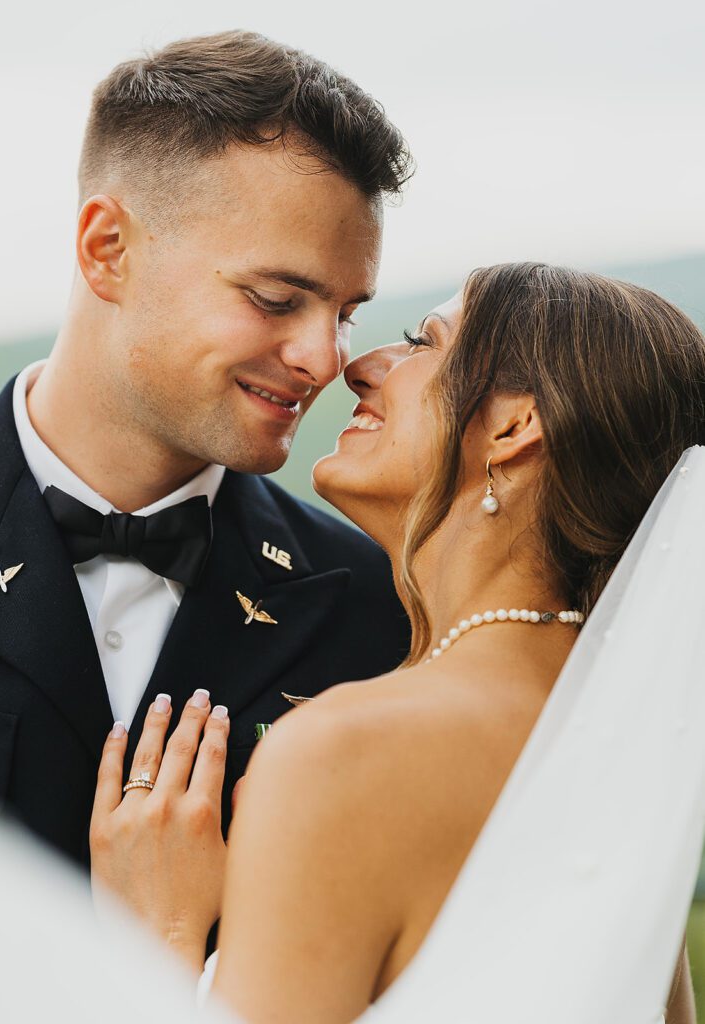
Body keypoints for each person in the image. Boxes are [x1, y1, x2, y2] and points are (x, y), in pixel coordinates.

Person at [90, 263, 705, 1022]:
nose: (360, 366)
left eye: (424, 342)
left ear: (514, 426)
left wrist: (159, 937)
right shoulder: (621, 755)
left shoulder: (343, 748)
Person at [0, 32, 412, 865]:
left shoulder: (378, 612)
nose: (325, 359)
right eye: (276, 298)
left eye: (344, 314)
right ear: (109, 250)